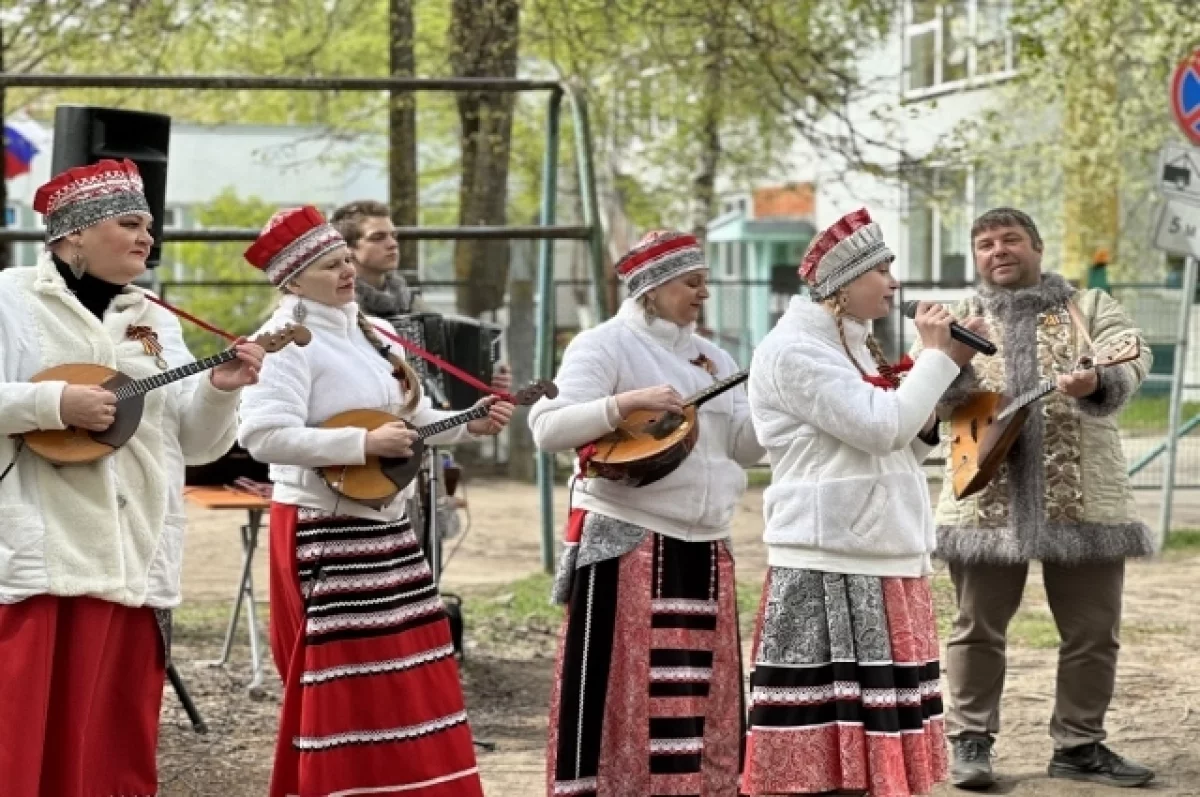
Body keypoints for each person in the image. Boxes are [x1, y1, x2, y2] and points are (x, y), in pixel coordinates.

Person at [0, 158, 262, 796]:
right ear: (73, 234)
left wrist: (221, 391)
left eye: (151, 225)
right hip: (41, 553)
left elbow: (196, 442)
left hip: (136, 556)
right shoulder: (9, 299)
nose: (148, 237)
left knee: (111, 748)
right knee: (19, 737)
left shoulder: (158, 320)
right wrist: (52, 405)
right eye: (129, 222)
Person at [236, 206, 514, 797]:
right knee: (350, 687)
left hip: (385, 527)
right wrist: (359, 443)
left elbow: (410, 423)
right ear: (293, 279)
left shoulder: (367, 332)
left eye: (345, 261)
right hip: (324, 527)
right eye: (332, 264)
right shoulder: (284, 342)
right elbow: (259, 434)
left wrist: (472, 423)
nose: (346, 273)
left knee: (409, 679)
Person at [741, 208, 983, 797]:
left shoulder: (856, 346)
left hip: (879, 549)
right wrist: (936, 358)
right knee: (821, 755)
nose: (894, 283)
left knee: (881, 744)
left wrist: (941, 383)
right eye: (882, 269)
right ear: (843, 283)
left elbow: (895, 448)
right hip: (828, 560)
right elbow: (880, 428)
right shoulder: (795, 351)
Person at [919, 207, 1156, 790]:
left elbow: (1133, 349)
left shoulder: (1090, 307)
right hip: (982, 497)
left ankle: (1079, 745)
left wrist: (1097, 380)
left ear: (1038, 247)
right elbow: (928, 404)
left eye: (1010, 239)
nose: (998, 250)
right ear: (975, 256)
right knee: (974, 627)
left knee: (1093, 630)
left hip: (1084, 499)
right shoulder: (955, 321)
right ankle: (970, 742)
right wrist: (941, 362)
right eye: (985, 243)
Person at [528, 230, 766, 797]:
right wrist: (625, 404)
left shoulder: (716, 357)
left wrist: (783, 409)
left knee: (698, 688)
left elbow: (745, 448)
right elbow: (547, 428)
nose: (703, 293)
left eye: (705, 281)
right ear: (652, 289)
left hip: (706, 540)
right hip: (629, 538)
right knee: (626, 686)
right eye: (692, 282)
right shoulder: (603, 345)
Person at [331, 199, 428, 316]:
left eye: (393, 236)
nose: (393, 244)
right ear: (347, 247)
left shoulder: (410, 301)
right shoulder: (338, 306)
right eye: (377, 237)